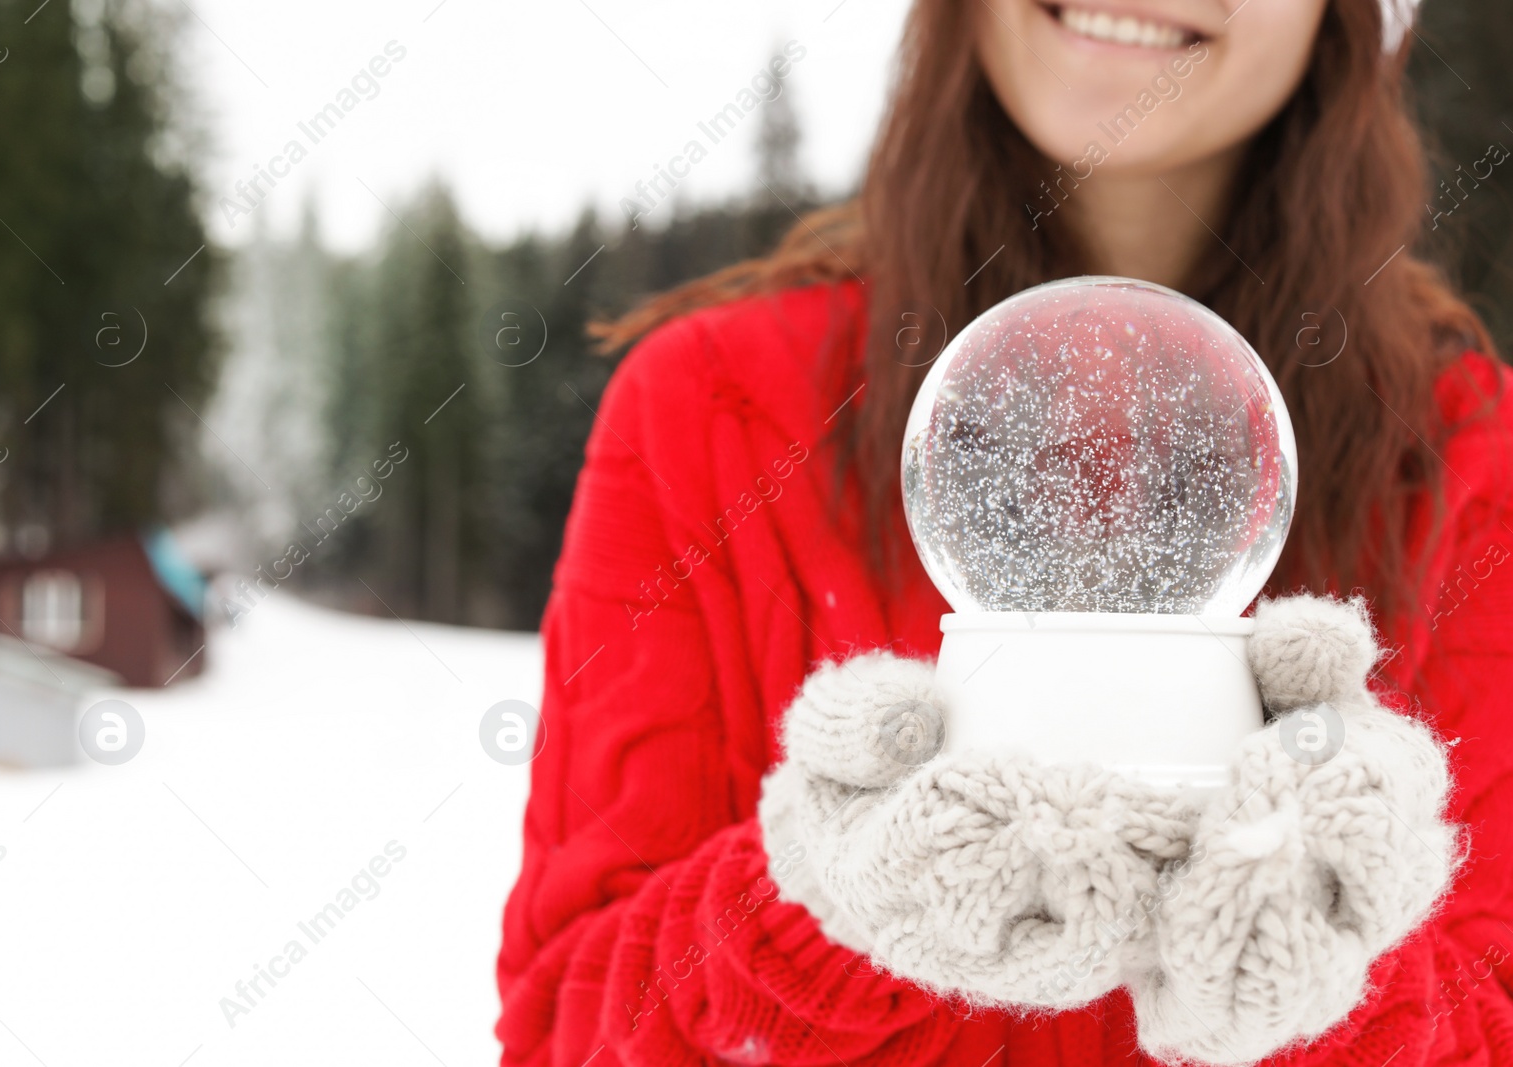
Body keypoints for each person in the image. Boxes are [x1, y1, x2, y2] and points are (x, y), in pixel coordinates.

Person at [498, 0, 1513, 1063]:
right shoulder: (704, 410)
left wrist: (1327, 979)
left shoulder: (1475, 468)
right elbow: (564, 1026)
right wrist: (823, 908)